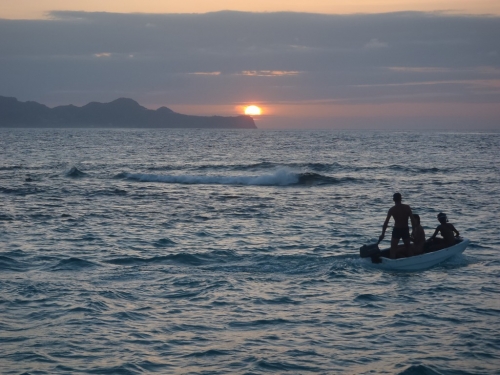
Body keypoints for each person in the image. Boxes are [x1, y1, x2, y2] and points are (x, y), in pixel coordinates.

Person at [379, 192, 417, 259]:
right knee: (408, 247)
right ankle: (412, 260)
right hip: (405, 229)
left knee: (393, 248)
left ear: (393, 200)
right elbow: (412, 220)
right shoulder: (407, 207)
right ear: (401, 199)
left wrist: (383, 234)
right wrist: (414, 230)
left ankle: (392, 262)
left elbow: (386, 223)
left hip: (397, 230)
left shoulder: (392, 209)